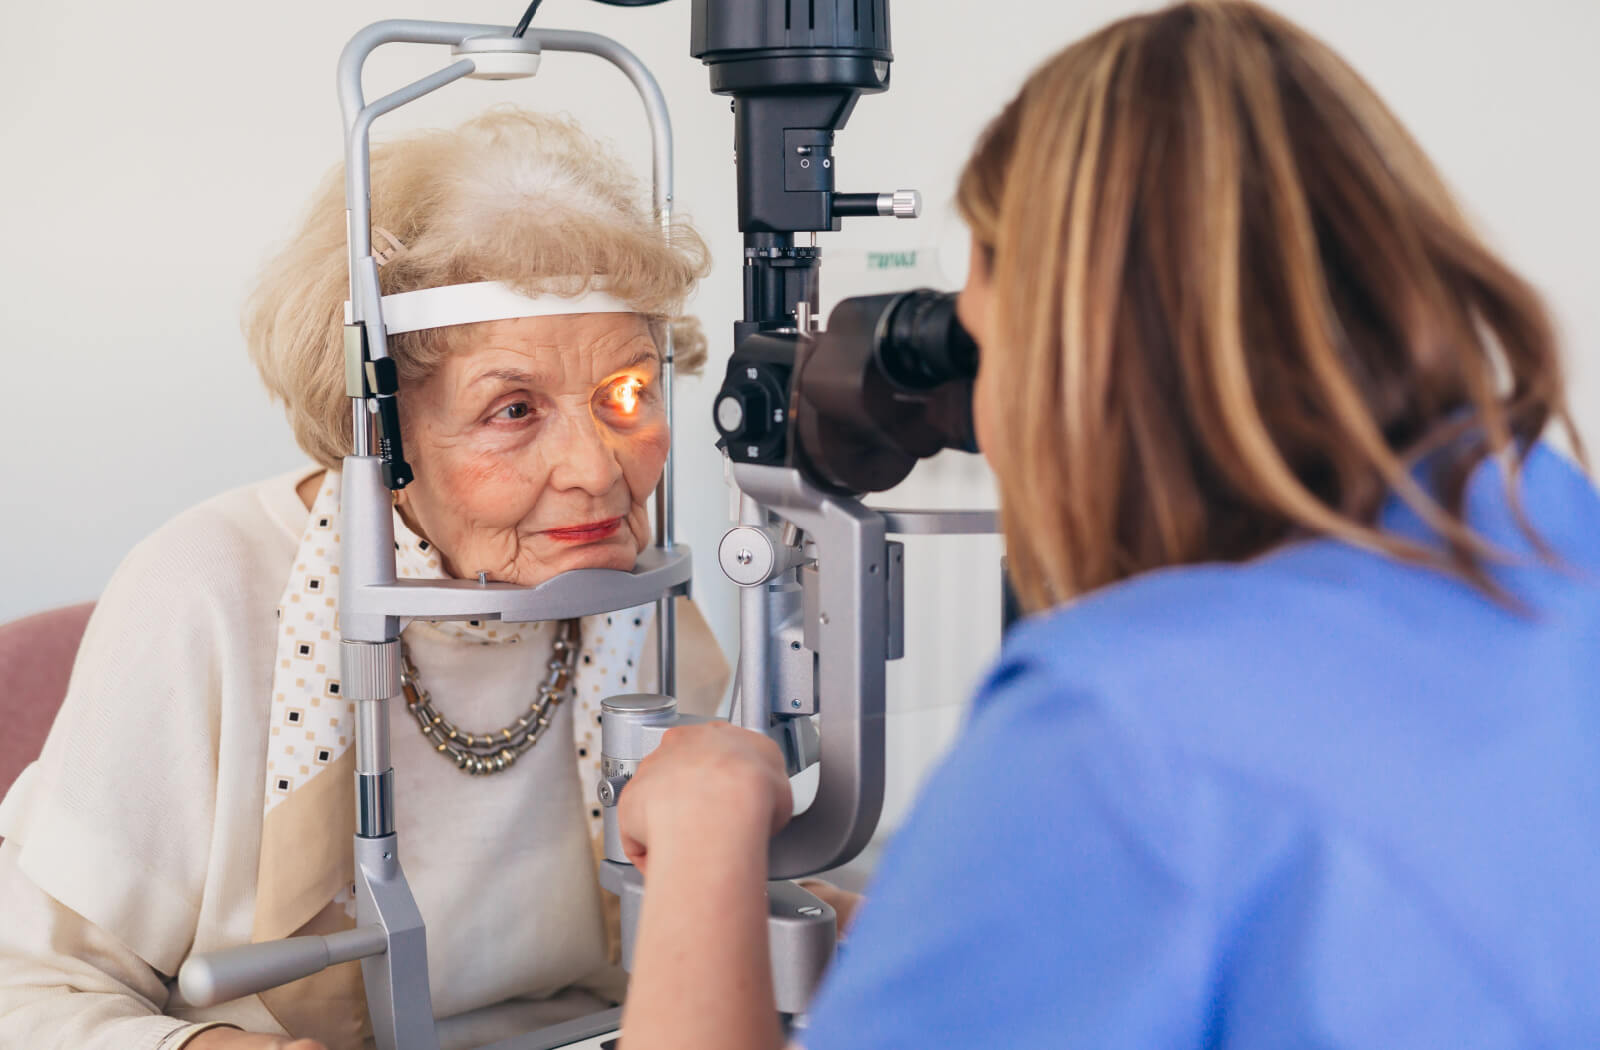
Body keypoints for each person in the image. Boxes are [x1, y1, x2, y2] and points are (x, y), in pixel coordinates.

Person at [611, 3, 1600, 1048]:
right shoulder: (1544, 525)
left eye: (980, 345)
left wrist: (704, 832)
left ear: (1059, 354)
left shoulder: (1115, 725)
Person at [0, 107, 732, 1050]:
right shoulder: (204, 595)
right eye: (514, 409)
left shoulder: (627, 589)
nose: (596, 469)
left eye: (625, 394)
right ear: (379, 432)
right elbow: (25, 990)